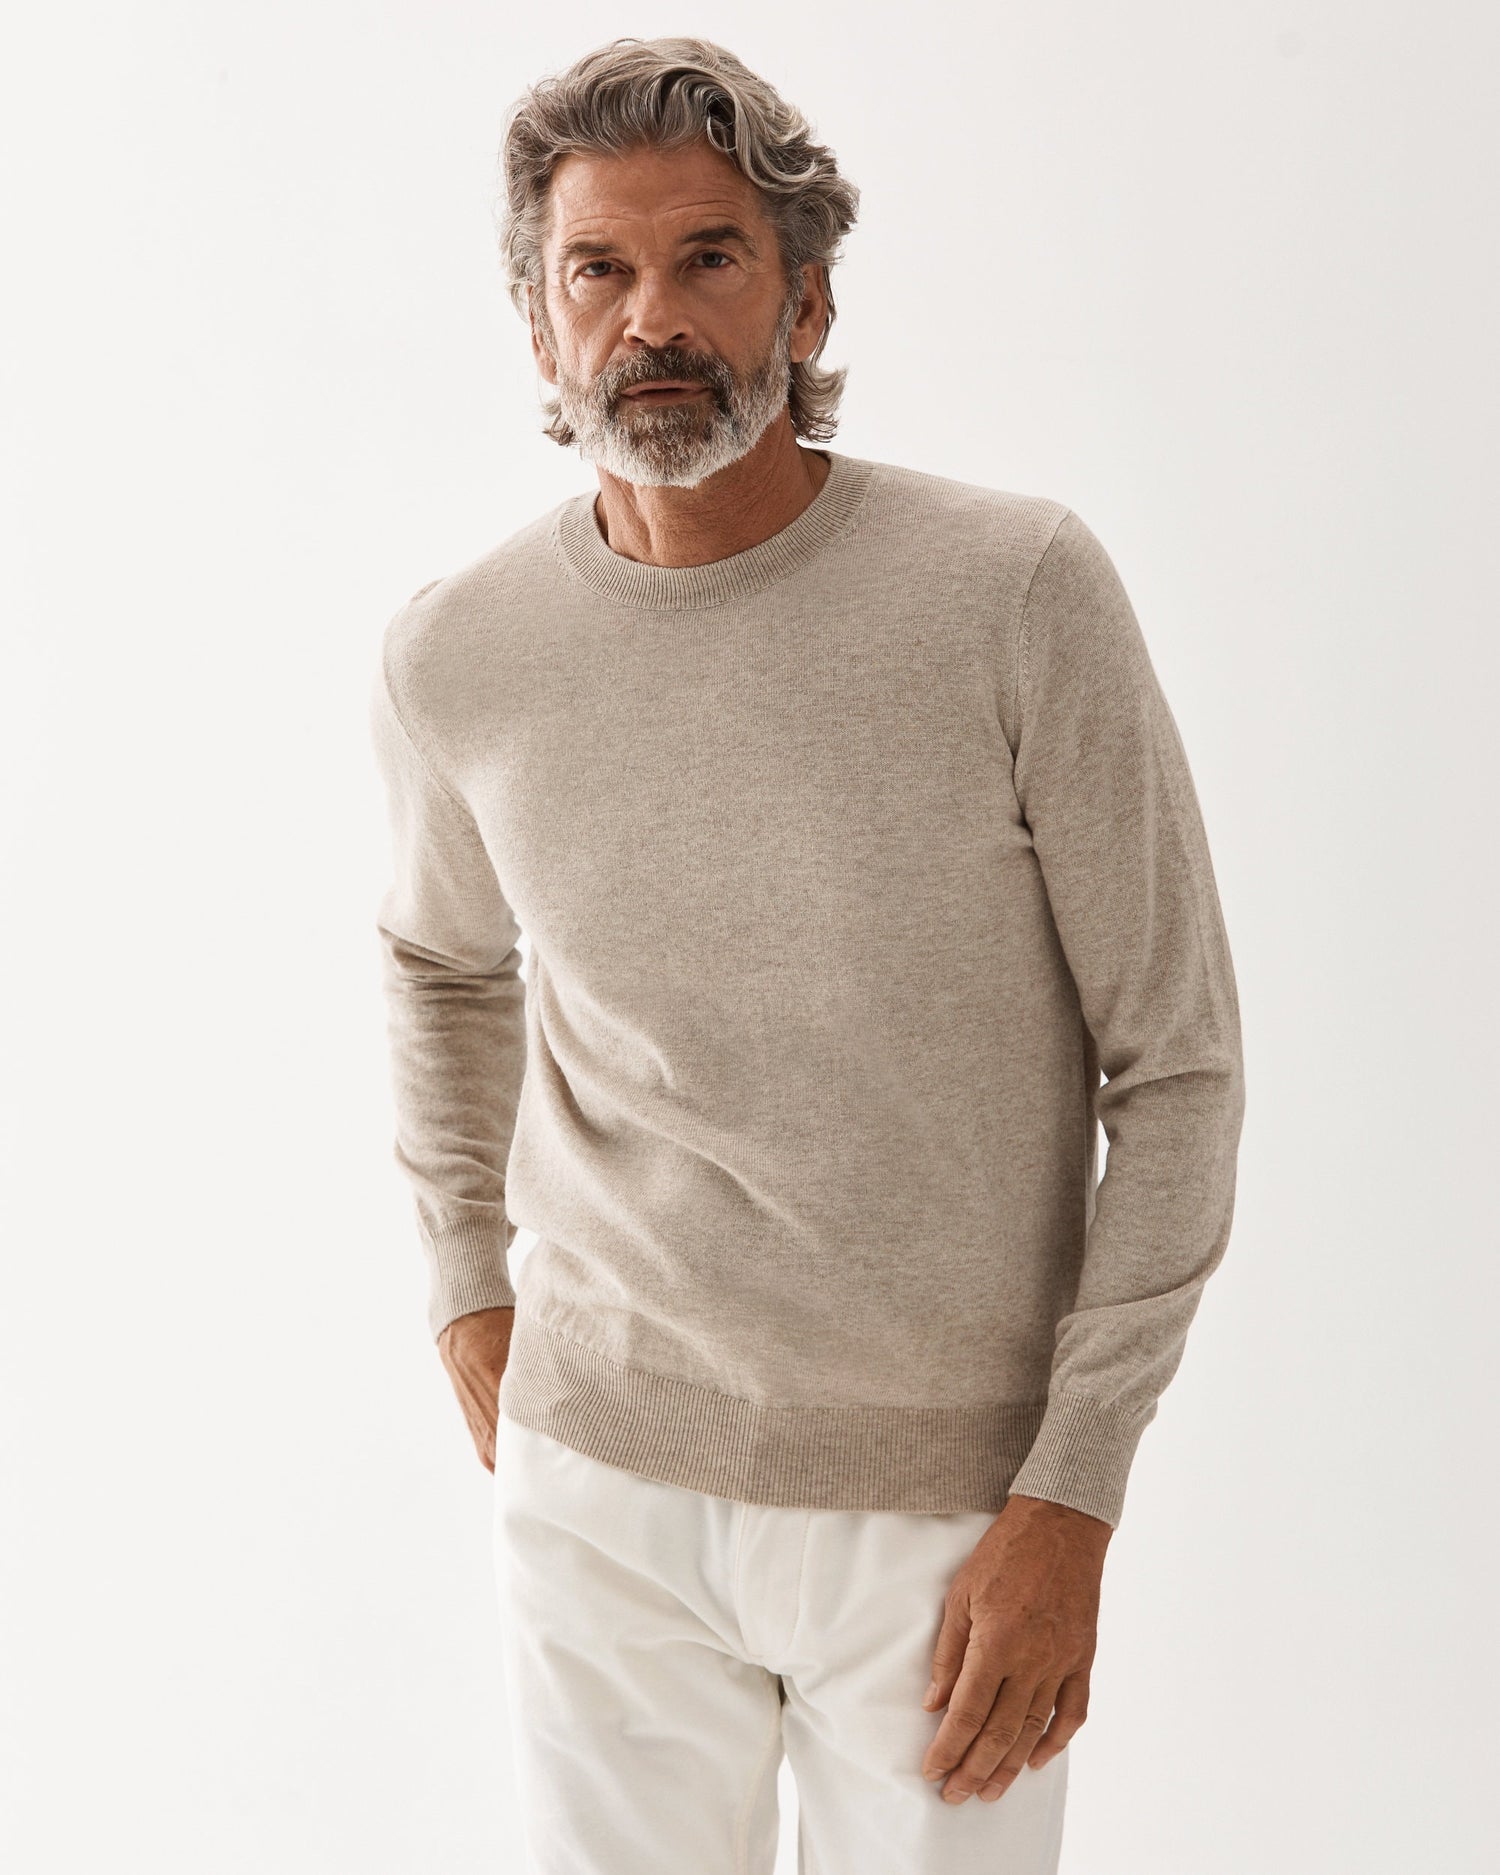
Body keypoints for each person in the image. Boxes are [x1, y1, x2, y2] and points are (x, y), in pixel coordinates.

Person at [368, 34, 1246, 1875]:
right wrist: (465, 1287)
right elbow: (441, 965)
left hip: (945, 1508)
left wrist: (1075, 1494)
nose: (651, 318)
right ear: (537, 324)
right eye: (597, 270)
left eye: (710, 257)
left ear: (808, 297)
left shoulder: (1015, 594)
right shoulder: (461, 652)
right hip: (598, 1485)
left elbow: (1175, 1068)